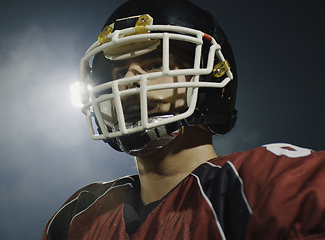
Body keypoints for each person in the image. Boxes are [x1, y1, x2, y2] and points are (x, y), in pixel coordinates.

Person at [42, 0, 325, 239]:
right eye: (119, 72)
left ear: (206, 79)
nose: (129, 80)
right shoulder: (78, 215)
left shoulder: (265, 182)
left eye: (155, 64)